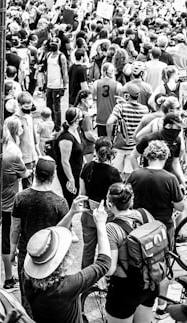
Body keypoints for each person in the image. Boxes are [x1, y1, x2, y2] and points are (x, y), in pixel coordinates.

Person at [22, 196, 111, 323]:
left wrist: (71, 213)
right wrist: (101, 224)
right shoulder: (66, 288)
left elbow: (52, 236)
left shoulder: (28, 279)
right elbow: (104, 263)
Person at [11, 156, 69, 306]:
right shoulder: (60, 203)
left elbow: (15, 228)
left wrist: (12, 251)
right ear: (53, 176)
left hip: (26, 254)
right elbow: (65, 233)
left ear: (34, 173)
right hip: (51, 257)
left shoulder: (20, 198)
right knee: (48, 298)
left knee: (27, 298)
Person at [103, 182, 160, 323]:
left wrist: (99, 224)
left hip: (125, 289)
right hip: (150, 281)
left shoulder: (111, 228)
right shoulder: (144, 214)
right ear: (131, 200)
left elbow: (109, 270)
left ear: (110, 204)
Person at [79, 138, 121, 269]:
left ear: (95, 151)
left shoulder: (87, 167)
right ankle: (105, 277)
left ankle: (86, 281)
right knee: (107, 249)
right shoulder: (113, 172)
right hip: (107, 216)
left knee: (88, 250)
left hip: (89, 214)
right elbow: (117, 196)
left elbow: (82, 193)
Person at [1, 117, 28, 289]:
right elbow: (24, 173)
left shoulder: (1, 150)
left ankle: (9, 275)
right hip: (10, 204)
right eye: (20, 128)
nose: (22, 131)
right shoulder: (13, 153)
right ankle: (10, 277)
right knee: (12, 240)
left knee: (6, 240)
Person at [53, 107, 85, 206]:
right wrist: (71, 179)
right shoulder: (66, 138)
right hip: (68, 173)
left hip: (77, 171)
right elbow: (64, 161)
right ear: (77, 120)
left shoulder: (77, 131)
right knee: (69, 199)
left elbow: (80, 151)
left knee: (74, 197)